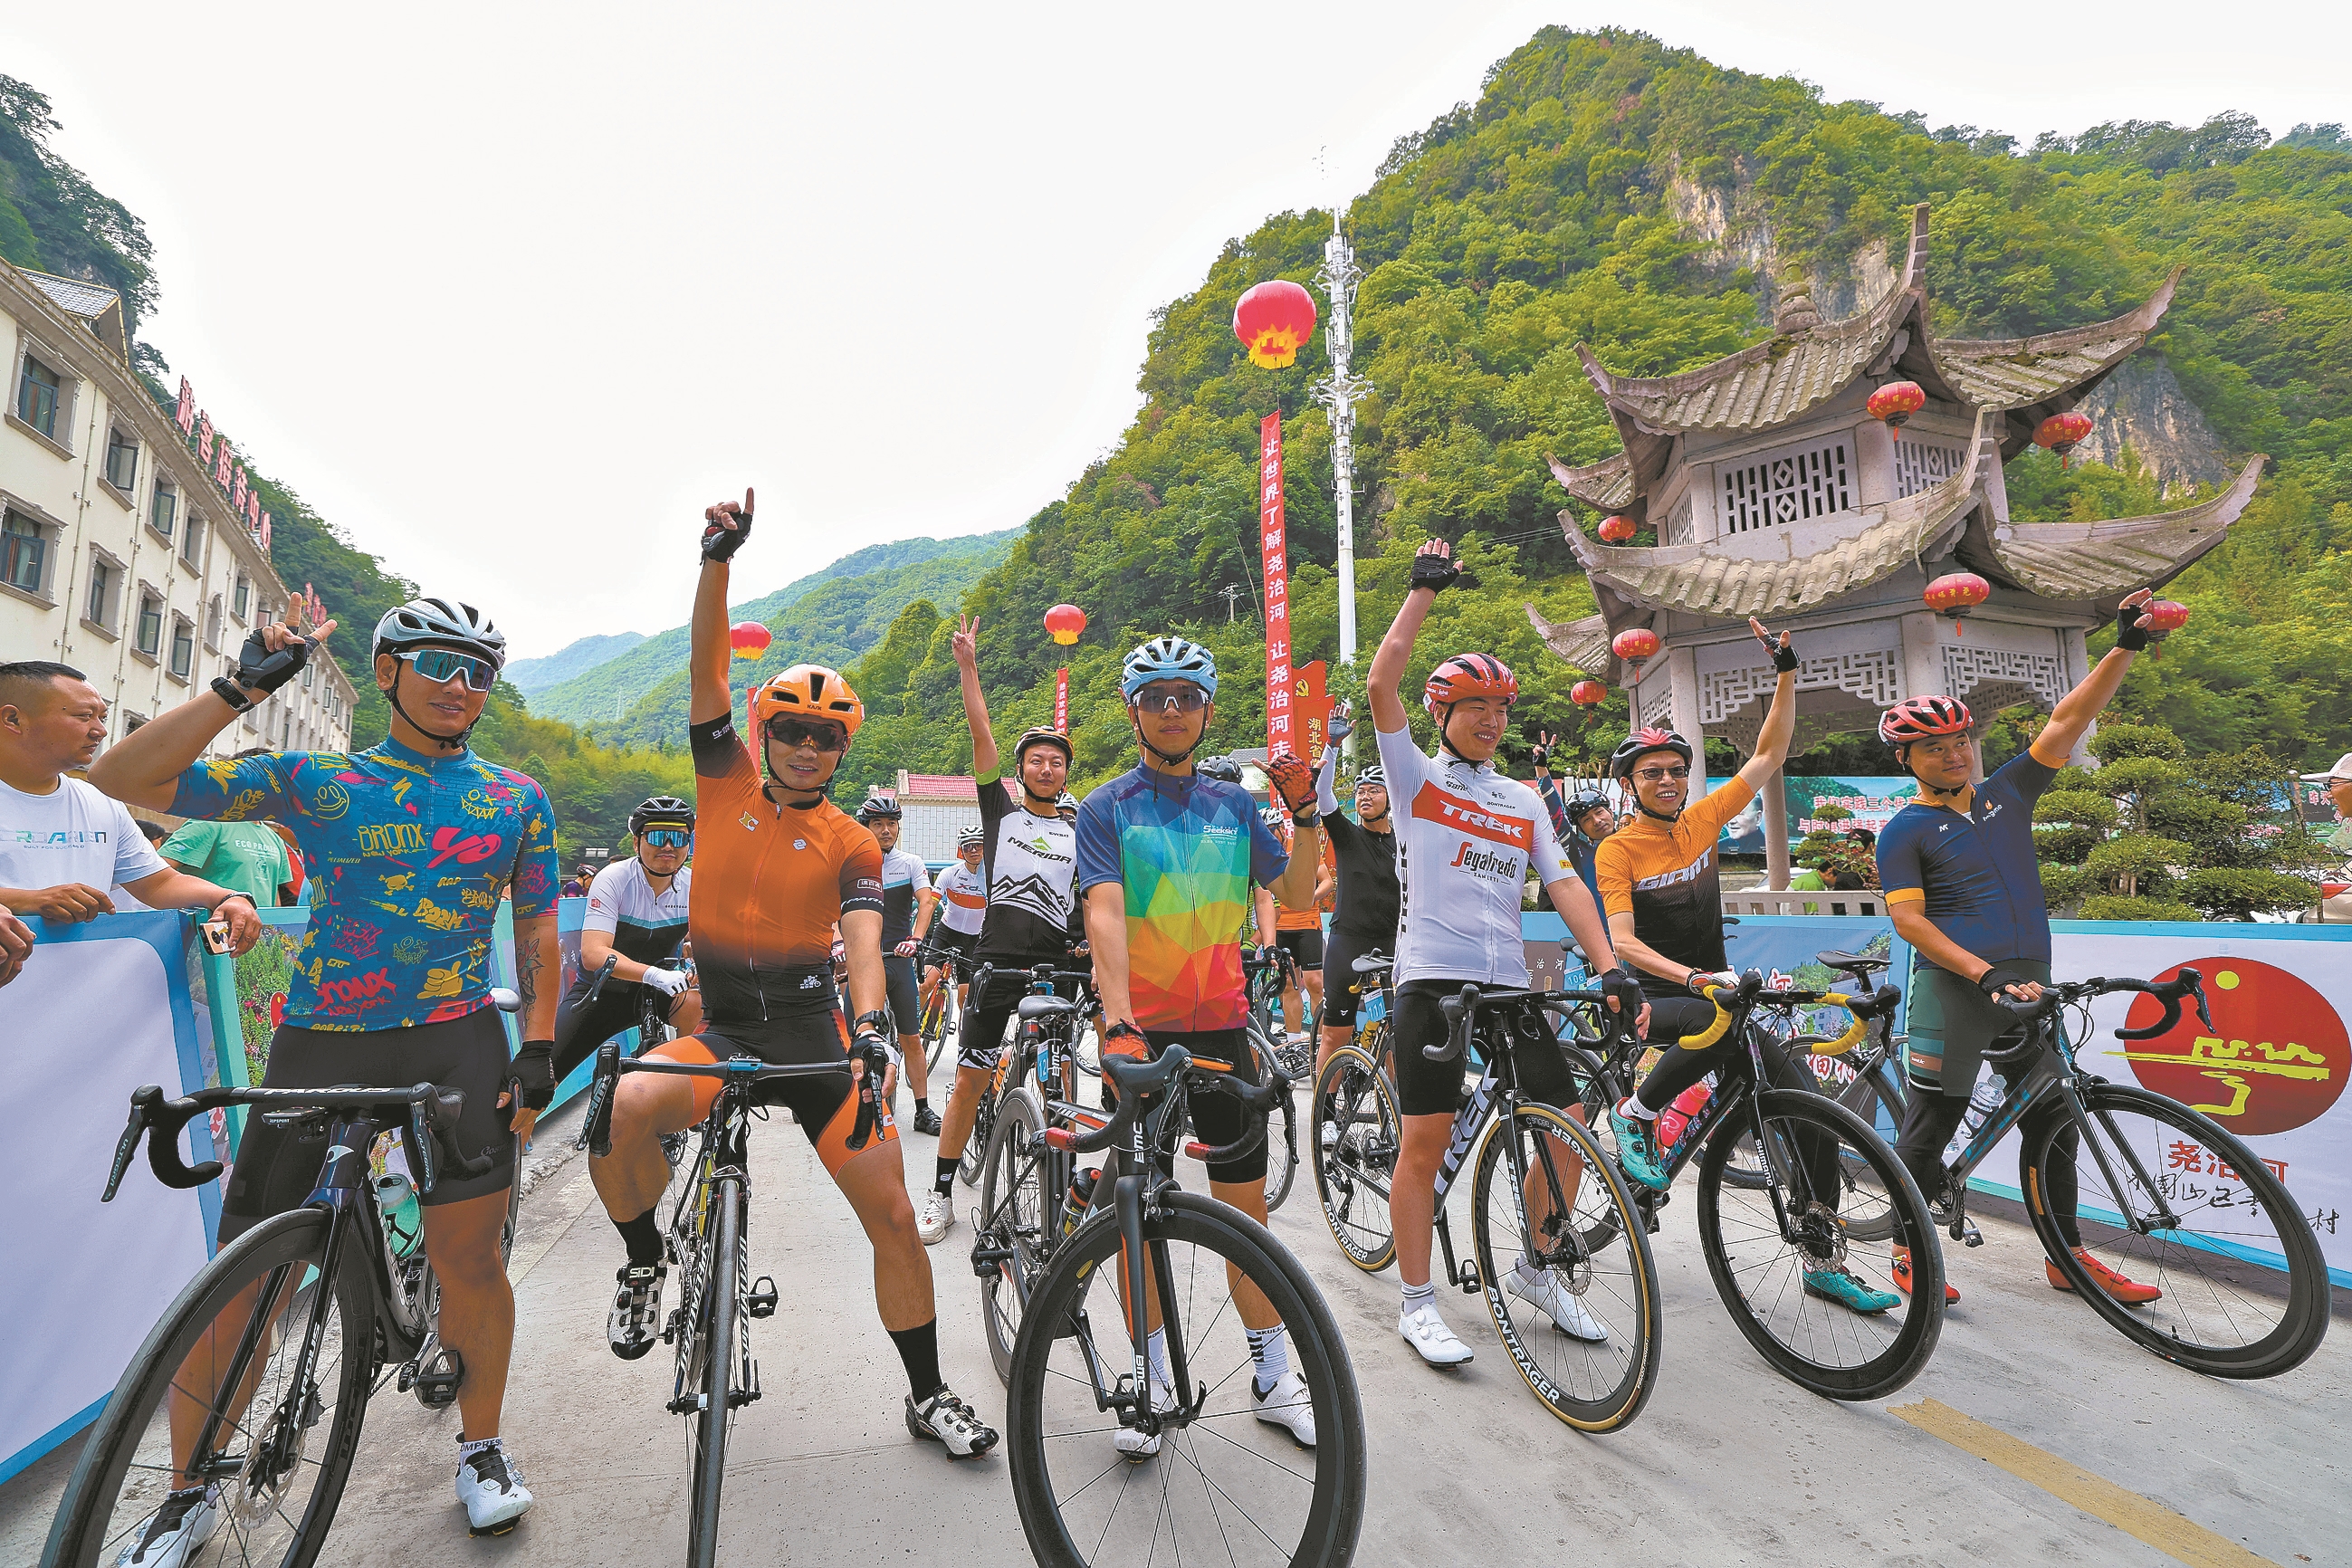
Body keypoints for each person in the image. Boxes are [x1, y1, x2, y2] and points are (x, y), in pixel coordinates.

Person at [87, 595, 562, 1540]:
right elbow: (118, 779)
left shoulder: (517, 797)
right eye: (439, 664)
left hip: (459, 1040)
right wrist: (238, 689)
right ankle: (186, 1493)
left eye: (479, 672)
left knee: (470, 1259)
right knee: (244, 1281)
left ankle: (481, 1446)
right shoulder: (316, 778)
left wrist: (541, 1044)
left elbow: (540, 923)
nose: (462, 686)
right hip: (321, 1038)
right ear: (388, 672)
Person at [585, 489, 993, 1458]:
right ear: (762, 730)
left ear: (843, 748)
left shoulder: (853, 839)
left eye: (827, 736)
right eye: (793, 730)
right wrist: (716, 562)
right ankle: (644, 1259)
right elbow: (706, 668)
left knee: (895, 1215)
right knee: (618, 1108)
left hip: (813, 1039)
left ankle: (928, 1393)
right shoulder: (721, 778)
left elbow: (864, 938)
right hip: (723, 1026)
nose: (808, 747)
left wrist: (870, 1028)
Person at [1364, 540, 1644, 1366]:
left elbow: (1564, 884)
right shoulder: (1416, 779)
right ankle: (1418, 1303)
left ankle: (1536, 1266)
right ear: (1443, 713)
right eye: (1474, 706)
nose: (1491, 720)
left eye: (1501, 708)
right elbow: (1381, 685)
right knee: (1425, 1142)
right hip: (1432, 981)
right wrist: (1421, 593)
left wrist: (1609, 964)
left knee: (1568, 1126)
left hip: (1507, 984)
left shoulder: (1521, 798)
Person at [1592, 617, 1894, 1314]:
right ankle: (1636, 1113)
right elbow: (1623, 944)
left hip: (1720, 1002)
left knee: (1813, 1121)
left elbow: (1768, 753)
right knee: (1715, 1017)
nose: (1668, 780)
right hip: (1659, 997)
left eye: (1676, 770)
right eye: (1652, 773)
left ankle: (1821, 1260)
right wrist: (1695, 977)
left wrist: (1786, 672)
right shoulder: (1619, 850)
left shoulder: (1703, 820)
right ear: (1630, 784)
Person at [1876, 589, 2166, 1308]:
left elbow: (2069, 718)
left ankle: (2067, 1257)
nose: (1955, 754)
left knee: (2053, 1119)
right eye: (1935, 747)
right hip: (1956, 990)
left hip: (2029, 985)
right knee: (1932, 1124)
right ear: (1908, 758)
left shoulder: (2006, 794)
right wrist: (1982, 974)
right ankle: (1906, 1249)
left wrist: (2125, 644)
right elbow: (1909, 922)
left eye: (1961, 741)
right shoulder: (1904, 830)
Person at [1076, 634, 1325, 1449]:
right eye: (1156, 697)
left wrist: (1305, 814)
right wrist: (1118, 1020)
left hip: (1223, 1028)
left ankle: (1272, 1374)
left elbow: (1295, 888)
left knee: (1245, 1212)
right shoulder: (1107, 806)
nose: (1172, 710)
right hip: (1141, 1032)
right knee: (1139, 1211)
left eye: (1186, 696)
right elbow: (1104, 914)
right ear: (1134, 712)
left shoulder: (1236, 805)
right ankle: (1149, 1374)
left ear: (1208, 711)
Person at [923, 615, 1081, 1246]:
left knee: (1060, 1083)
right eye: (1036, 761)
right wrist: (969, 668)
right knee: (970, 1079)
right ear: (1020, 771)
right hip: (997, 962)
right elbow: (980, 733)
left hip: (1055, 969)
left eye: (1056, 762)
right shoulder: (1001, 815)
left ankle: (1063, 1191)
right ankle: (939, 1195)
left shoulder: (1079, 832)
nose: (1046, 768)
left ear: (1066, 775)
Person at [1, 660, 263, 951]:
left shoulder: (102, 801)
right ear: (13, 719)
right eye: (84, 716)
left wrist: (227, 898)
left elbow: (158, 883)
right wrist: (29, 900)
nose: (99, 731)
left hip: (84, 977)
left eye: (102, 718)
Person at [550, 795, 703, 1085]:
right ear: (636, 842)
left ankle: (690, 1084)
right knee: (541, 1079)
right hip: (602, 992)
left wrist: (698, 960)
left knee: (697, 1005)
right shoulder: (614, 878)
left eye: (678, 838)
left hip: (661, 993)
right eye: (657, 836)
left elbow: (704, 943)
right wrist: (654, 974)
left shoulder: (694, 884)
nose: (668, 846)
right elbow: (593, 954)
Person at [1308, 707, 1400, 1085]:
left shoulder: (1403, 841)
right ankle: (1325, 1110)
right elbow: (1322, 793)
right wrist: (1331, 745)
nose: (1365, 796)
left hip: (1393, 943)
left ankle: (1395, 1110)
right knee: (1336, 1035)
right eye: (1360, 791)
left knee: (1397, 1037)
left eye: (1374, 790)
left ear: (1390, 798)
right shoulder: (1347, 836)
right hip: (1349, 942)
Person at [859, 791, 941, 1133]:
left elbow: (926, 901)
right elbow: (835, 908)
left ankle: (922, 1110)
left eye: (891, 823)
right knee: (856, 1035)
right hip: (864, 964)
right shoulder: (854, 863)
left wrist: (916, 939)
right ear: (866, 827)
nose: (886, 830)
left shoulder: (910, 863)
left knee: (911, 1038)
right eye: (878, 823)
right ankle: (848, 1100)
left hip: (899, 958)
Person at [157, 749, 299, 907]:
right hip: (214, 923)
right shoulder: (210, 823)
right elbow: (156, 875)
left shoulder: (274, 838)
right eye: (276, 780)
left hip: (259, 924)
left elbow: (273, 897)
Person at [1265, 802, 1335, 1051]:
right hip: (1280, 926)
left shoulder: (1299, 847)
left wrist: (1309, 898)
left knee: (1315, 982)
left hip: (1307, 924)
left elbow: (1327, 882)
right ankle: (1293, 1041)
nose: (1269, 837)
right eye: (1265, 832)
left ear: (1281, 829)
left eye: (1272, 831)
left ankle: (1321, 1040)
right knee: (1287, 983)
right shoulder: (1264, 853)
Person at [920, 825, 988, 1018]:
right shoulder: (950, 874)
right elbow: (930, 904)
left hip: (973, 939)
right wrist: (918, 936)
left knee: (965, 998)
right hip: (946, 934)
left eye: (978, 845)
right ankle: (917, 1028)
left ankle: (963, 1036)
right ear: (961, 850)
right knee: (925, 985)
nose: (973, 850)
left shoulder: (992, 878)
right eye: (967, 846)